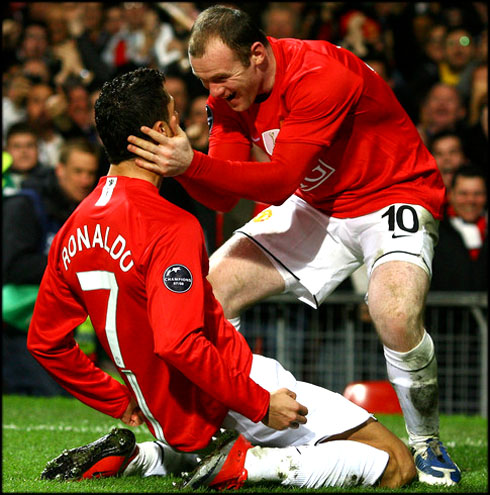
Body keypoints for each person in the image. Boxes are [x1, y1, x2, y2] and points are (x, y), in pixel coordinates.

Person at [28, 68, 414, 491]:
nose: (182, 127)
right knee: (396, 464)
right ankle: (243, 466)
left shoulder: (72, 228)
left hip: (169, 414)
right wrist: (260, 403)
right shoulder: (169, 224)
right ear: (160, 131)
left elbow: (45, 342)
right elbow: (178, 343)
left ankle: (138, 458)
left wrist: (120, 401)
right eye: (175, 117)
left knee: (199, 442)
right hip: (231, 388)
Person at [126, 6, 460, 486]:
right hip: (319, 203)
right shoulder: (228, 97)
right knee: (210, 290)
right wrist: (182, 166)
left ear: (257, 55)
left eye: (221, 78)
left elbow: (280, 179)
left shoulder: (321, 74)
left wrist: (190, 165)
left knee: (394, 312)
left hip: (392, 194)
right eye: (205, 82)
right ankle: (236, 424)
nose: (214, 93)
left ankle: (426, 442)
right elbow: (223, 194)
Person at [3, 138, 99, 395]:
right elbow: (12, 267)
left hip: (56, 329)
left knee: (76, 392)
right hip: (14, 330)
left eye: (90, 173)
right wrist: (70, 263)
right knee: (54, 393)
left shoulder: (83, 210)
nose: (85, 180)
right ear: (60, 170)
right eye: (78, 172)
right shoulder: (24, 205)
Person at [431, 165, 487, 292]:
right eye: (463, 193)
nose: (471, 200)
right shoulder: (434, 232)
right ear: (450, 195)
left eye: (478, 194)